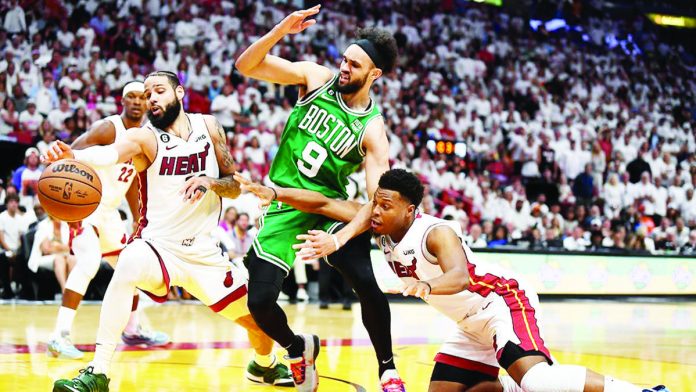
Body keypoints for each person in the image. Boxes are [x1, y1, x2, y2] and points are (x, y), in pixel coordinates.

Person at [234, 169, 669, 392]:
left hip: (502, 305)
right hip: (469, 327)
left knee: (542, 382)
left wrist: (424, 287)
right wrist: (270, 192)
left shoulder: (435, 231)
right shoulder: (382, 223)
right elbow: (324, 201)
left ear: (410, 209)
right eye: (375, 204)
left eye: (385, 205)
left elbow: (459, 276)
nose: (376, 212)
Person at [45, 71, 292, 391]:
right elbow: (110, 153)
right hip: (158, 245)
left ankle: (264, 367)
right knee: (128, 263)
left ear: (179, 92)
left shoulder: (209, 126)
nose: (151, 100)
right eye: (147, 95)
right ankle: (98, 371)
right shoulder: (145, 137)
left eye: (158, 91)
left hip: (204, 253)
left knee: (260, 318)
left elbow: (232, 186)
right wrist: (74, 156)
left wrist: (210, 182)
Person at [235, 5, 402, 391]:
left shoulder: (372, 130)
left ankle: (388, 369)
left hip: (329, 207)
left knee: (364, 279)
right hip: (284, 202)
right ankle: (298, 347)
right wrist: (280, 30)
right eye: (344, 59)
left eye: (354, 65)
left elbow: (376, 202)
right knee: (258, 302)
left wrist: (338, 239)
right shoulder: (316, 77)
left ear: (373, 75)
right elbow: (247, 65)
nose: (344, 68)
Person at [47, 81, 170, 360]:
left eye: (143, 97)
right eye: (132, 97)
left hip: (111, 213)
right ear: (122, 101)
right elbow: (70, 156)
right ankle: (59, 336)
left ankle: (134, 328)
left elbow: (131, 186)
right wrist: (63, 202)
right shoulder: (108, 128)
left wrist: (141, 223)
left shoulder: (145, 137)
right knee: (88, 262)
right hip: (86, 207)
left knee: (132, 264)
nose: (138, 102)